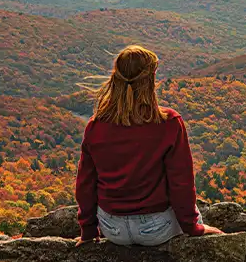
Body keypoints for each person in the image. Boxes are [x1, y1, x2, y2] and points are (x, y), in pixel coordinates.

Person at [74, 45, 223, 245]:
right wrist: (193, 227)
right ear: (150, 80)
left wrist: (88, 233)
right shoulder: (168, 122)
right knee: (194, 212)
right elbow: (181, 183)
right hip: (156, 228)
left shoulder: (96, 125)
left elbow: (85, 184)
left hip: (112, 229)